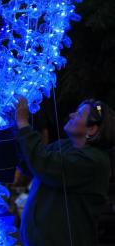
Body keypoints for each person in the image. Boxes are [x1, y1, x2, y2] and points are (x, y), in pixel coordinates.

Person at [15, 96, 115, 246]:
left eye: (79, 114)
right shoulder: (64, 146)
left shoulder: (94, 162)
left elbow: (43, 164)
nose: (71, 115)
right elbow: (33, 165)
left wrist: (23, 123)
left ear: (92, 129)